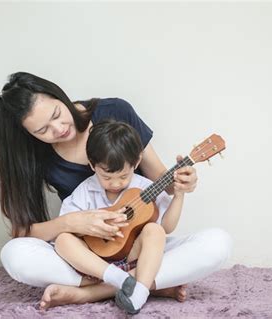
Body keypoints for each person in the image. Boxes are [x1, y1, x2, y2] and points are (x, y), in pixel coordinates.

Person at [0, 71, 232, 310]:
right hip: (87, 254)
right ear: (29, 135)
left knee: (217, 243)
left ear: (59, 96)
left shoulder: (116, 112)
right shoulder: (32, 156)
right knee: (14, 255)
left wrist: (182, 185)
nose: (58, 129)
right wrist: (70, 223)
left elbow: (163, 184)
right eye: (42, 131)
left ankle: (92, 293)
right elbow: (23, 231)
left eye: (57, 114)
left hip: (137, 245)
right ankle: (144, 283)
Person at [56, 119, 185, 314]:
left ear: (137, 162)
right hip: (95, 265)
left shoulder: (144, 187)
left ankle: (139, 292)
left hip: (132, 258)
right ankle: (120, 280)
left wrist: (179, 195)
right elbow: (66, 223)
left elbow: (167, 227)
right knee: (62, 240)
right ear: (92, 165)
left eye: (123, 176)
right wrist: (89, 224)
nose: (115, 183)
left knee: (155, 230)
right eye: (106, 177)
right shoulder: (86, 190)